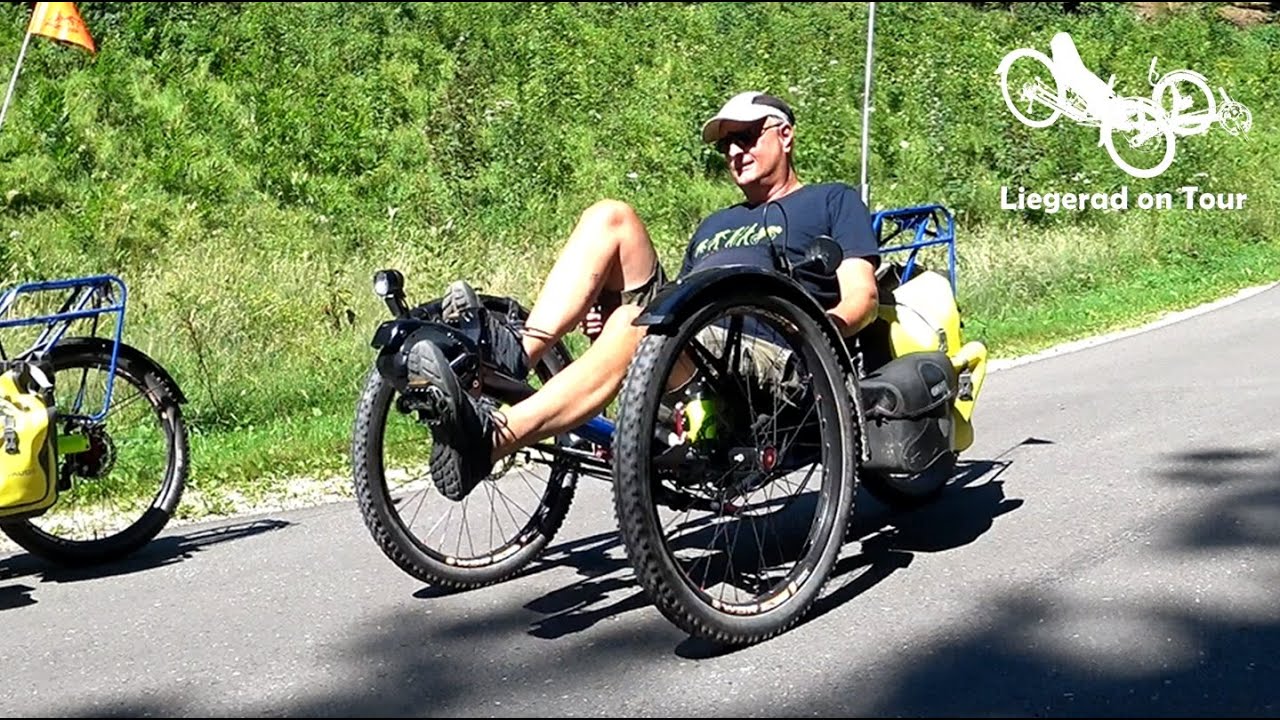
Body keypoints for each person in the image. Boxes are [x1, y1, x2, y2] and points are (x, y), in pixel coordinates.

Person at [411, 90, 882, 502]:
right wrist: (617, 316)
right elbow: (673, 305)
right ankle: (512, 357)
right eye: (726, 144)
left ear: (784, 134)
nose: (735, 151)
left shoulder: (831, 200)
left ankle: (494, 438)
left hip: (775, 348)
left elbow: (861, 300)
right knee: (610, 216)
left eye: (747, 136)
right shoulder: (715, 224)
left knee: (634, 326)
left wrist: (815, 336)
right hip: (701, 345)